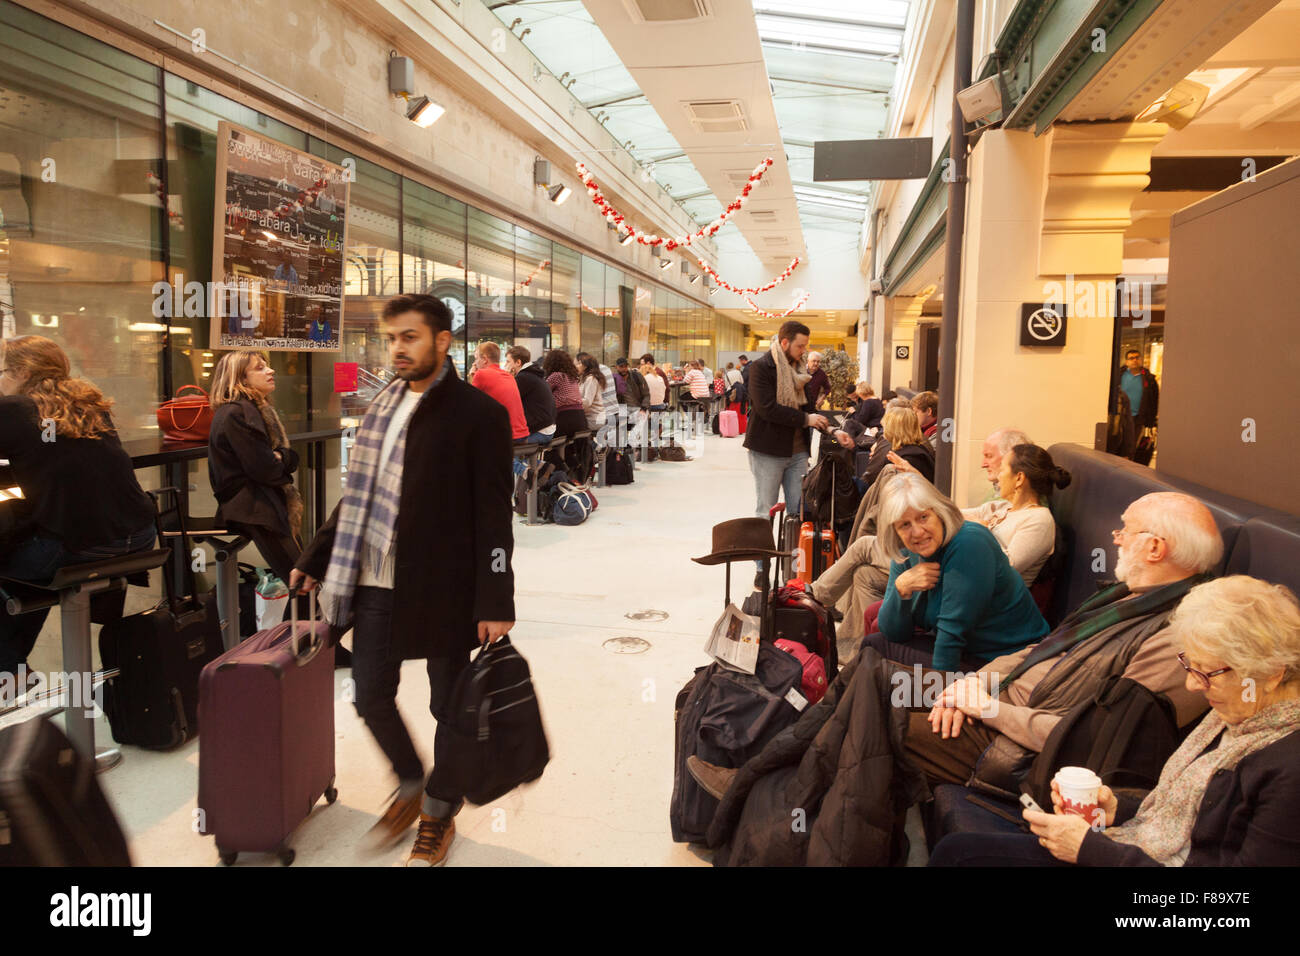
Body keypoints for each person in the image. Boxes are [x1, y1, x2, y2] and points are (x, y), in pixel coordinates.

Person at [290, 294, 516, 867]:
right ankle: (413, 782)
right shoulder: (381, 408)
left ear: (442, 340)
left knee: (450, 706)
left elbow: (494, 514)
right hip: (372, 578)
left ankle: (438, 816)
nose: (397, 348)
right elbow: (357, 497)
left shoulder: (477, 415)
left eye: (410, 336)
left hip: (445, 584)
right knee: (368, 694)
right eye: (392, 337)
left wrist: (497, 595)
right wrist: (315, 557)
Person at [930, 575, 1300, 866]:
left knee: (962, 855)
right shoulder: (1238, 713)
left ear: (1271, 673)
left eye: (1208, 673)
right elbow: (1180, 813)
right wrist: (1116, 808)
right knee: (961, 850)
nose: (1191, 684)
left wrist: (1091, 850)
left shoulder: (1286, 769)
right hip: (1129, 847)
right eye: (1191, 667)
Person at [908, 491, 1223, 796]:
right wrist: (973, 685)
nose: (1116, 538)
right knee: (876, 679)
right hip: (994, 694)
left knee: (884, 718)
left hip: (1011, 744)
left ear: (1155, 547)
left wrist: (988, 709)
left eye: (1126, 531)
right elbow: (1039, 650)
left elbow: (1100, 739)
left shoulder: (1179, 635)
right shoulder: (1125, 597)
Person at [0, 336, 157, 679]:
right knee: (28, 548)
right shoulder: (87, 402)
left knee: (18, 555)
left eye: (2, 373)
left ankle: (8, 669)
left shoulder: (15, 409)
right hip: (141, 537)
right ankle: (11, 669)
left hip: (84, 545)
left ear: (22, 372)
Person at [867, 473, 1049, 673]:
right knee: (874, 645)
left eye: (923, 517)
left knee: (874, 651)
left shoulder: (969, 544)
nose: (918, 532)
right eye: (905, 525)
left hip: (1005, 658)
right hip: (967, 650)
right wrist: (902, 589)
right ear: (895, 530)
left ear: (939, 512)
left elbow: (951, 636)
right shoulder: (905, 551)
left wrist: (941, 696)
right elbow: (894, 633)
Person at [744, 321, 829, 581]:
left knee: (797, 512)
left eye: (805, 346)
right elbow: (767, 408)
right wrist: (806, 420)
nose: (803, 351)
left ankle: (795, 568)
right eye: (800, 345)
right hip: (768, 451)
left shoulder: (800, 370)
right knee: (765, 510)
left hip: (798, 453)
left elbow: (807, 409)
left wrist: (828, 427)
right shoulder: (761, 368)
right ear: (784, 343)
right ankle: (762, 568)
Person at [958, 444, 1069, 587]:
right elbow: (952, 514)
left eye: (1002, 470)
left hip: (998, 600)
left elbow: (1006, 568)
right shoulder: (1001, 507)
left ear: (1019, 478)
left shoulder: (1039, 520)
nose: (998, 476)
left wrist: (983, 531)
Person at [855, 406, 935, 489]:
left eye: (885, 427)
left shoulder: (908, 457)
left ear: (893, 429)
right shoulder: (915, 449)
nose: (883, 431)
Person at [542, 349, 590, 479]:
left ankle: (560, 472)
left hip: (565, 419)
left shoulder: (556, 376)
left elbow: (542, 392)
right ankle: (572, 469)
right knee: (565, 445)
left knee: (545, 443)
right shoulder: (572, 377)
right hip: (580, 419)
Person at [470, 342, 529, 441]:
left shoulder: (481, 374)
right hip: (522, 435)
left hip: (506, 436)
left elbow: (469, 403)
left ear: (484, 359)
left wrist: (472, 375)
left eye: (476, 358)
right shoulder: (509, 376)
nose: (474, 363)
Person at [504, 346, 556, 444]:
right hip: (547, 428)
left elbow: (506, 400)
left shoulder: (524, 378)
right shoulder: (533, 374)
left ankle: (518, 460)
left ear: (518, 362)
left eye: (508, 362)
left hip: (540, 431)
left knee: (505, 445)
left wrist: (507, 376)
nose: (505, 365)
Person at [979, 427, 1034, 503]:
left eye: (989, 456)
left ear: (1011, 456)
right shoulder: (997, 489)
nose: (983, 464)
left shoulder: (1026, 504)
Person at [1119, 347, 1159, 431]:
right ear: (1127, 361)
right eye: (1131, 358)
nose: (1135, 360)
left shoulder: (1149, 378)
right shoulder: (1119, 376)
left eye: (1137, 357)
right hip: (1120, 416)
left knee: (1132, 442)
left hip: (1138, 418)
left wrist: (1151, 420)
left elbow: (1154, 400)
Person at [577, 354, 607, 433]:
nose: (577, 366)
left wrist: (573, 401)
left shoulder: (591, 379)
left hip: (593, 418)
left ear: (585, 366)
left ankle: (593, 445)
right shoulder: (583, 378)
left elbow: (587, 402)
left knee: (570, 427)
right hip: (590, 417)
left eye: (579, 363)